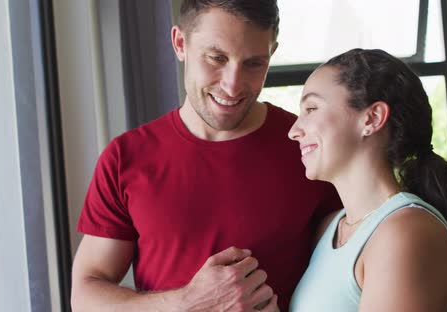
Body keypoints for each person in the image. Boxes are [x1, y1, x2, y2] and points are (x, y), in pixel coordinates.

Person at [70, 0, 341, 311]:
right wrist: (188, 303)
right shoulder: (125, 157)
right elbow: (86, 297)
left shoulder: (307, 147)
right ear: (180, 43)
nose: (232, 85)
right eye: (217, 58)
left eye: (254, 63)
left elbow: (355, 268)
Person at [288, 48, 447, 311]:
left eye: (311, 108)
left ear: (372, 118)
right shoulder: (329, 229)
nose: (294, 131)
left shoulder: (405, 231)